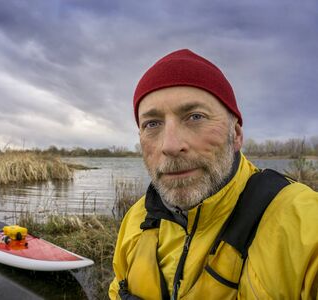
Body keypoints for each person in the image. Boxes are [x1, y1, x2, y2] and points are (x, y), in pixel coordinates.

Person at [108, 49, 318, 299]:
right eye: (152, 124)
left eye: (195, 117)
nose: (170, 146)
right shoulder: (136, 220)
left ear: (236, 134)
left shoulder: (304, 223)